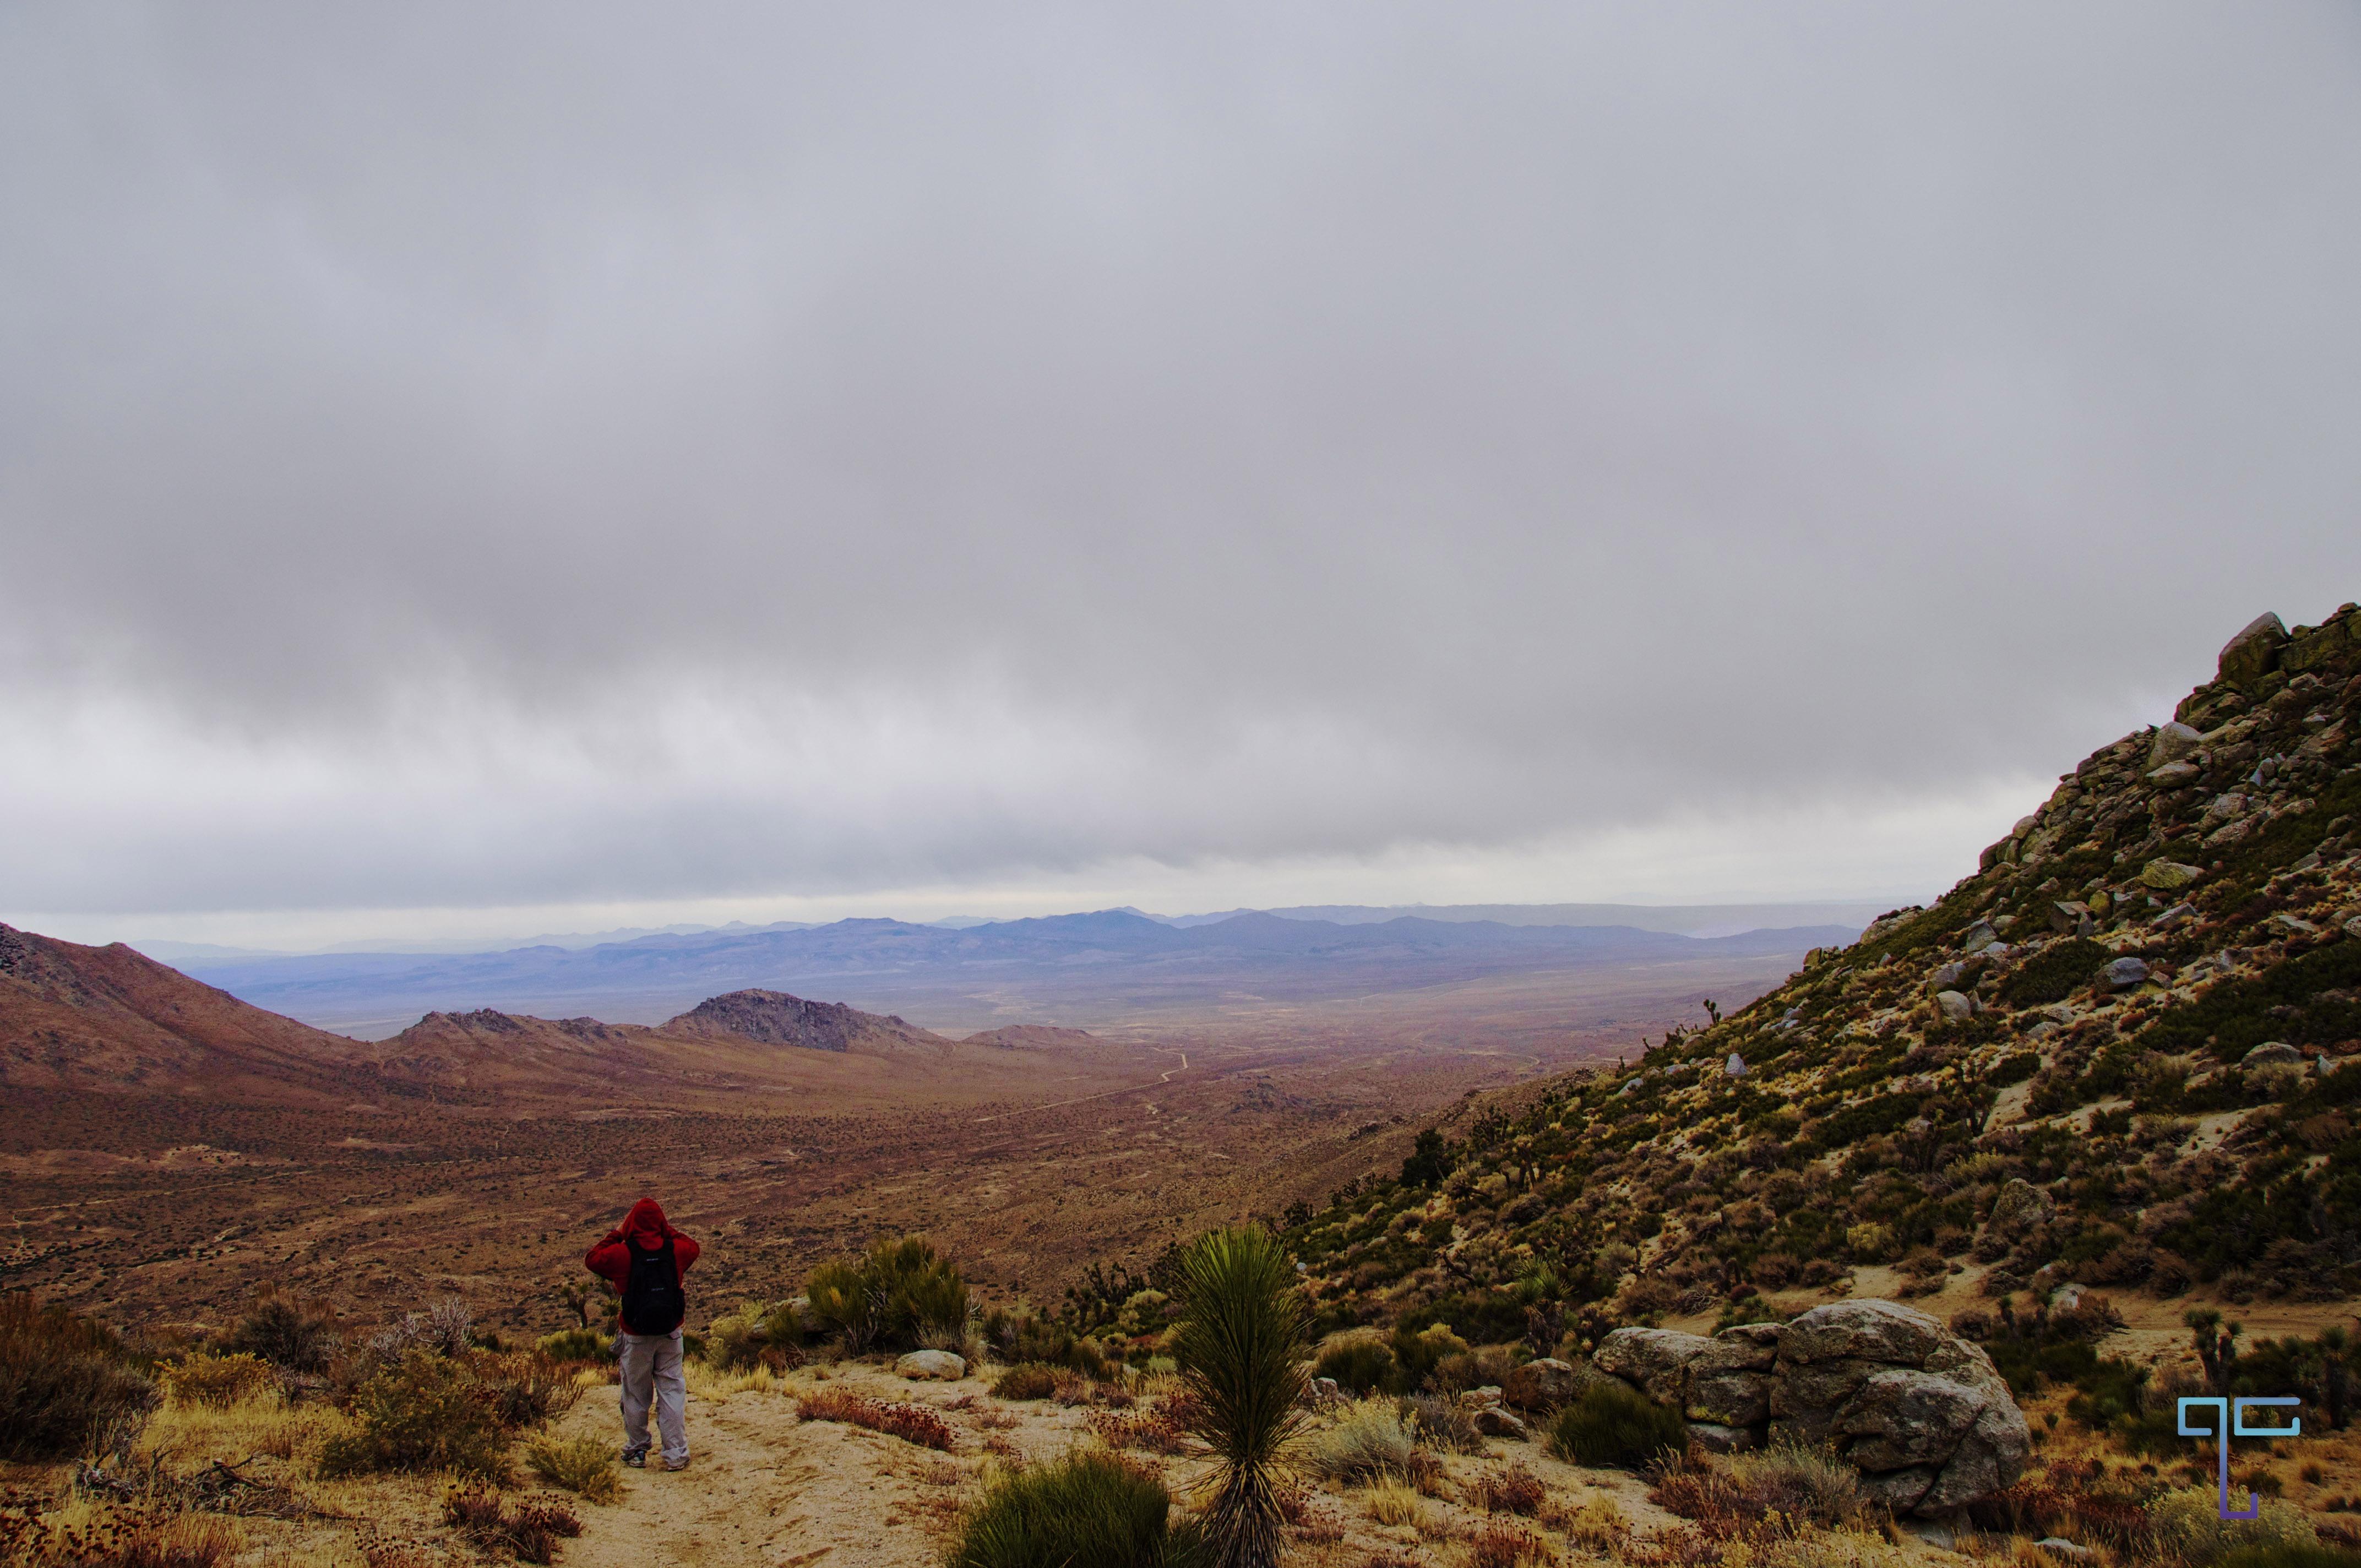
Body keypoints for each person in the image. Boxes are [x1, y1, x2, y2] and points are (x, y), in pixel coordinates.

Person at [584, 1197, 700, 1471]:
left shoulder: (624, 1254)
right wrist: (667, 1230)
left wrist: (620, 1233)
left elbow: (592, 1259)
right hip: (671, 1332)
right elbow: (694, 1247)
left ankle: (637, 1450)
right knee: (672, 1390)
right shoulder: (676, 1251)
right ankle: (676, 1454)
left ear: (632, 1223)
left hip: (635, 1335)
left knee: (636, 1394)